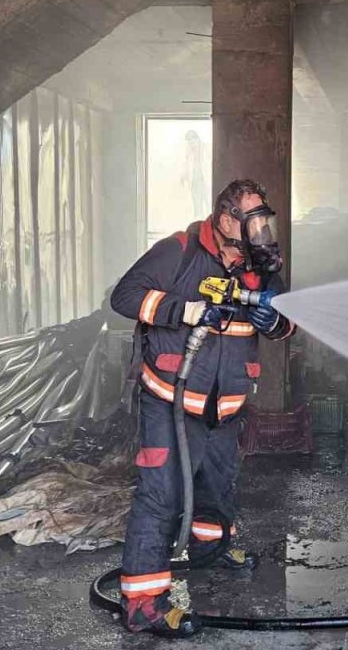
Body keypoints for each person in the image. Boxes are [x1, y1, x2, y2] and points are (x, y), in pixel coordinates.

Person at [109, 179, 295, 637]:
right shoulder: (179, 251)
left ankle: (209, 549)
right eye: (254, 220)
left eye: (264, 219)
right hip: (171, 397)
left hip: (226, 404)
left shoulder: (260, 266)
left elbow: (289, 322)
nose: (262, 230)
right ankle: (144, 604)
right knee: (163, 496)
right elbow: (124, 296)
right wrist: (187, 311)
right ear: (227, 218)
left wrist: (278, 323)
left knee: (218, 482)